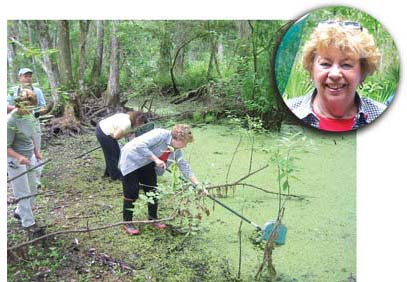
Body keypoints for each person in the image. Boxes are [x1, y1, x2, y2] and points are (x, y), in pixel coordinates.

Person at [285, 20, 386, 132]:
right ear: (311, 69)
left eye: (346, 65)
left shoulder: (383, 116)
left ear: (362, 72)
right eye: (325, 64)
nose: (334, 74)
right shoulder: (286, 113)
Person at [118, 124, 208, 235]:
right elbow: (139, 145)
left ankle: (153, 219)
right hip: (131, 159)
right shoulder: (160, 134)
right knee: (131, 191)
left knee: (152, 190)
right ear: (178, 139)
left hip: (147, 162)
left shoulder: (176, 150)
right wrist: (156, 159)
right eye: (185, 143)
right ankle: (127, 223)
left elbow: (184, 166)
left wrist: (198, 185)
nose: (185, 146)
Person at [7, 89, 44, 236]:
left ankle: (19, 212)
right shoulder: (10, 120)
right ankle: (29, 223)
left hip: (29, 155)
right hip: (14, 159)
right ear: (19, 104)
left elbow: (33, 134)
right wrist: (18, 157)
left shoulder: (30, 115)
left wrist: (36, 151)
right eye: (27, 107)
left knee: (33, 187)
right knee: (23, 191)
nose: (30, 110)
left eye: (31, 107)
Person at [8, 68, 47, 187]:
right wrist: (18, 109)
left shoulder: (38, 91)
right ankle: (20, 175)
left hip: (32, 121)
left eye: (30, 76)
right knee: (17, 147)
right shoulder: (14, 91)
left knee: (35, 148)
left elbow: (42, 107)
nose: (28, 78)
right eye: (25, 76)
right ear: (20, 77)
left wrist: (35, 112)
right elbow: (6, 105)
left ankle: (35, 179)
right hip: (17, 122)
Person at [96, 111, 148, 181]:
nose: (140, 125)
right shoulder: (127, 124)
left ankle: (108, 173)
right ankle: (115, 176)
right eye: (140, 123)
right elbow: (115, 136)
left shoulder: (128, 118)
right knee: (113, 155)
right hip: (104, 132)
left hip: (104, 128)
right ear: (137, 120)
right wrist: (125, 134)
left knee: (114, 153)